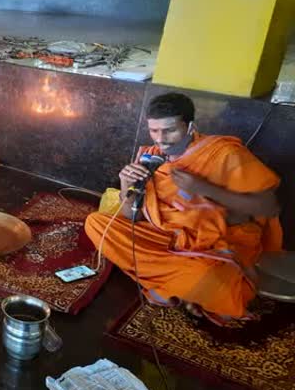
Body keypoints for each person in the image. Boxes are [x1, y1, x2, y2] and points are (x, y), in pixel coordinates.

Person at [85, 93, 282, 325]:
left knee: (208, 278)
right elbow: (131, 217)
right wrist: (126, 185)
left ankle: (173, 283)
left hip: (212, 243)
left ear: (190, 126)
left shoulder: (223, 154)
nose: (161, 139)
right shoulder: (151, 157)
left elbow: (270, 207)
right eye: (154, 131)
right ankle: (179, 286)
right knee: (96, 223)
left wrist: (204, 188)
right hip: (165, 236)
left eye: (169, 130)